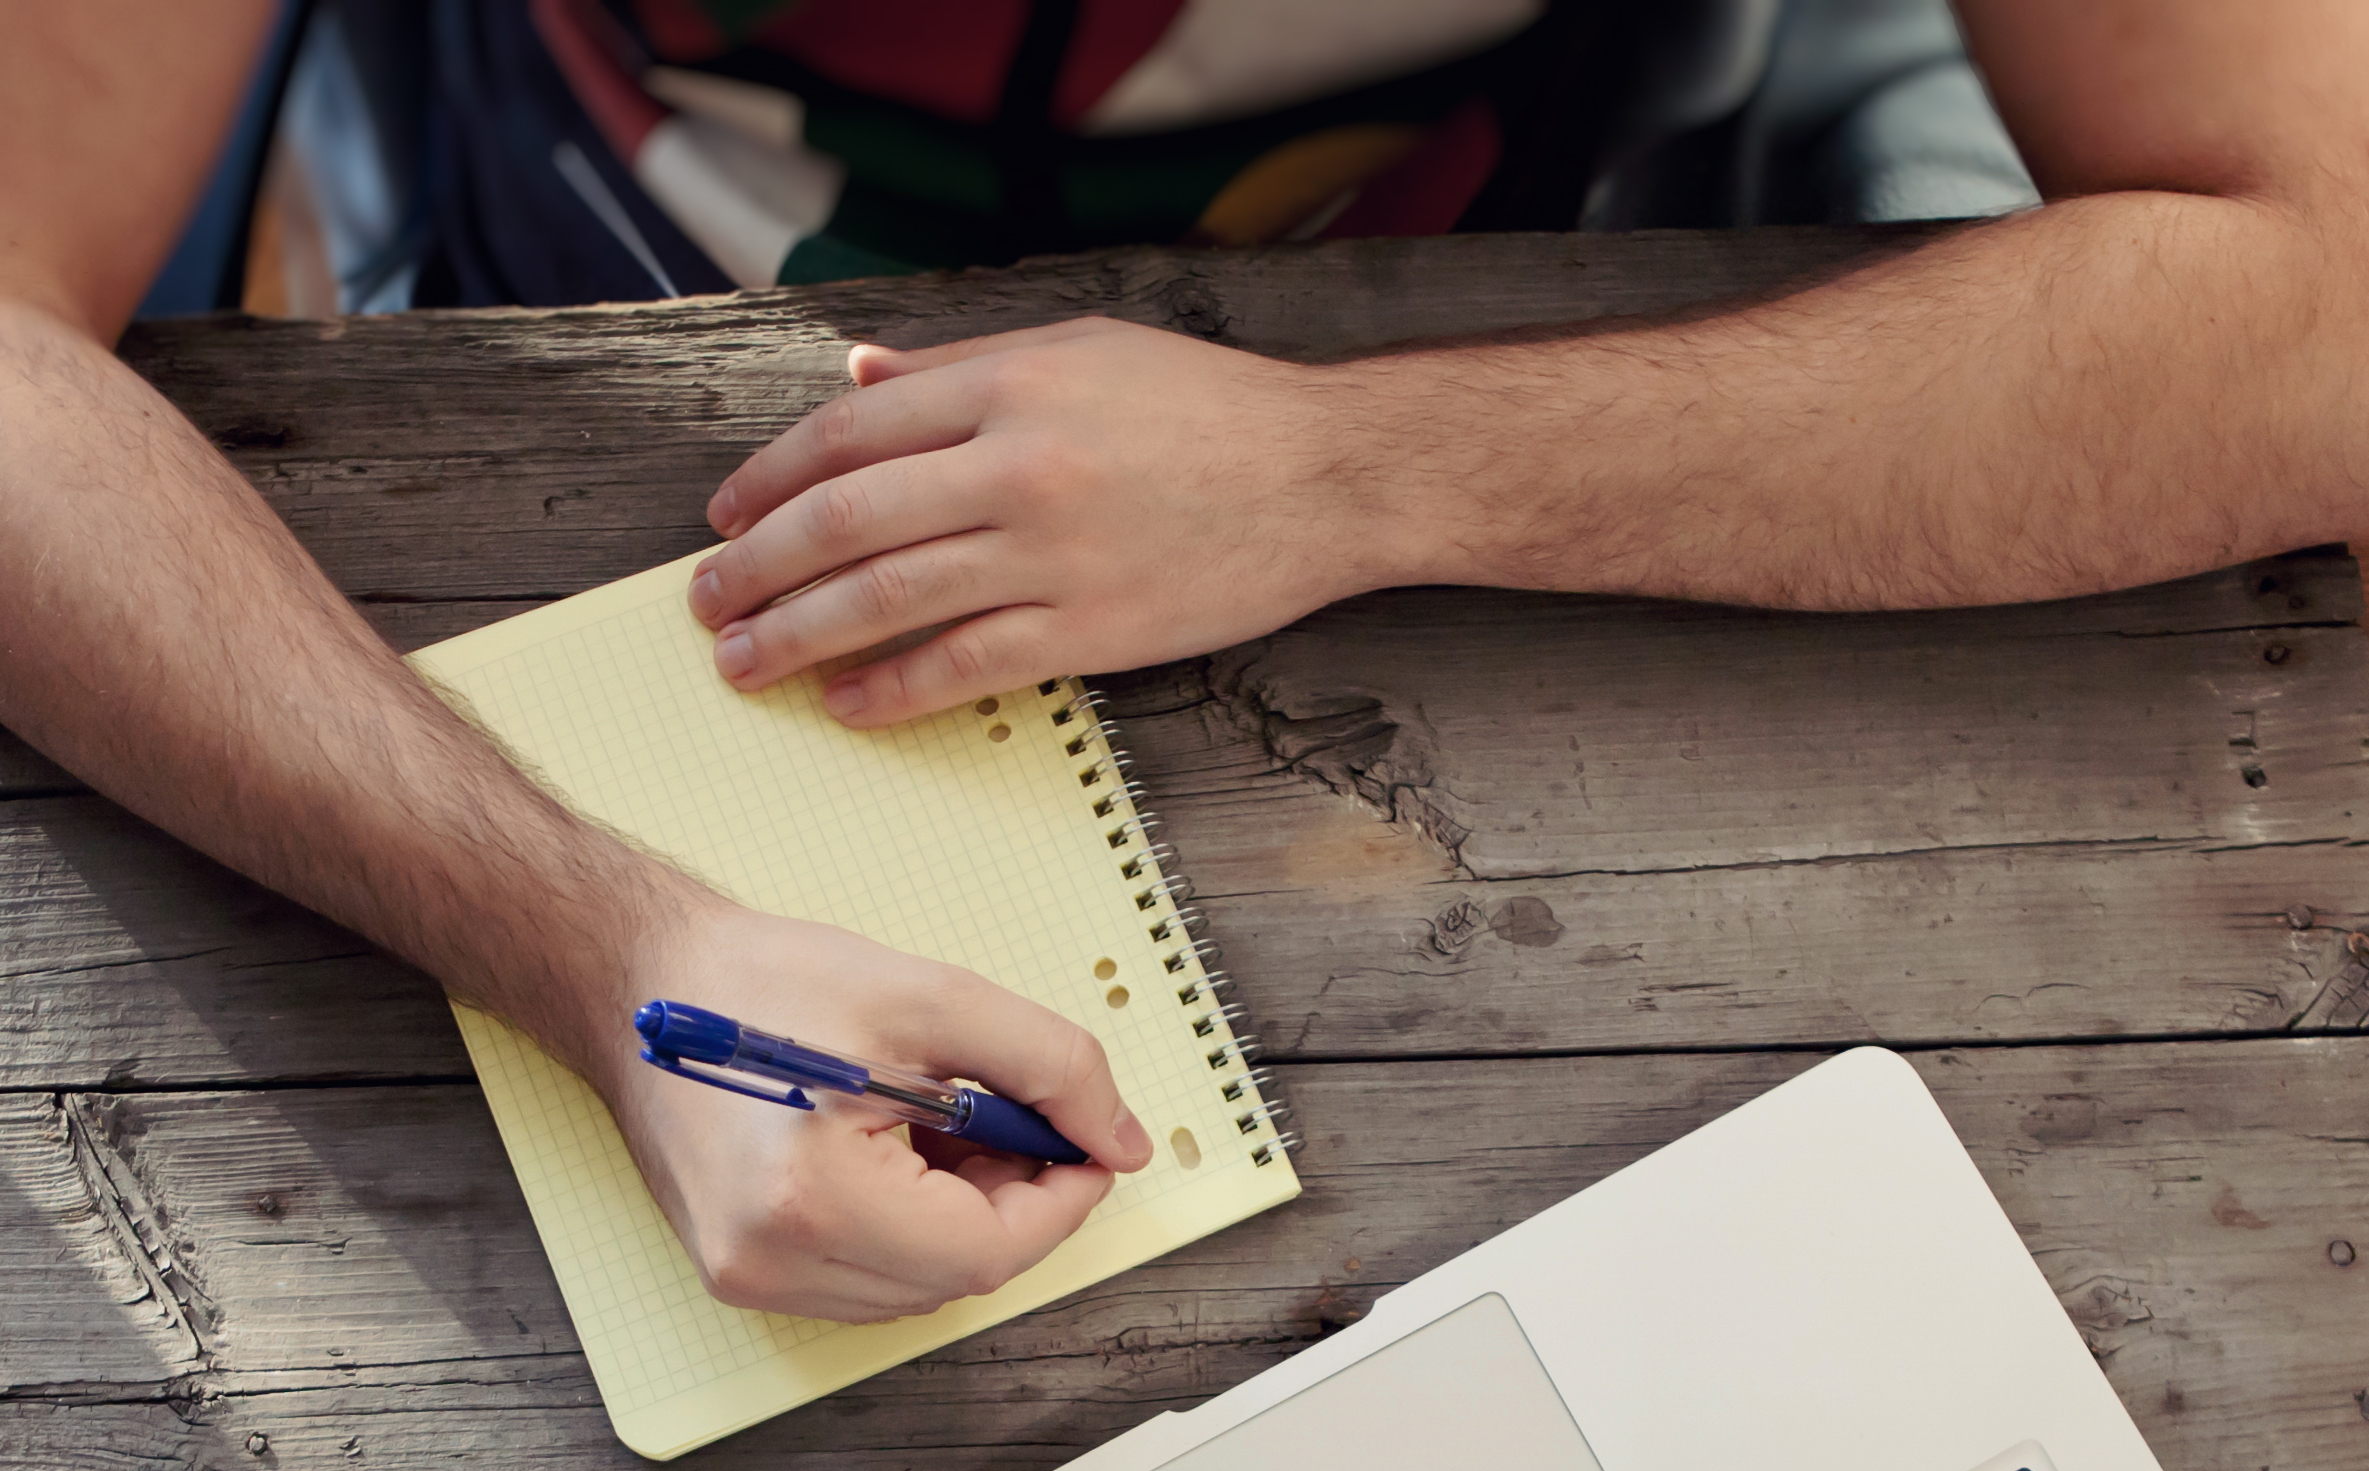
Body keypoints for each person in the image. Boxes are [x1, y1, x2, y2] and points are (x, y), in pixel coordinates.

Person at [7, 3, 2364, 1321]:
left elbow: (2330, 303)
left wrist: (1367, 473)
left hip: (1563, 210)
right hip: (558, 244)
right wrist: (593, 946)